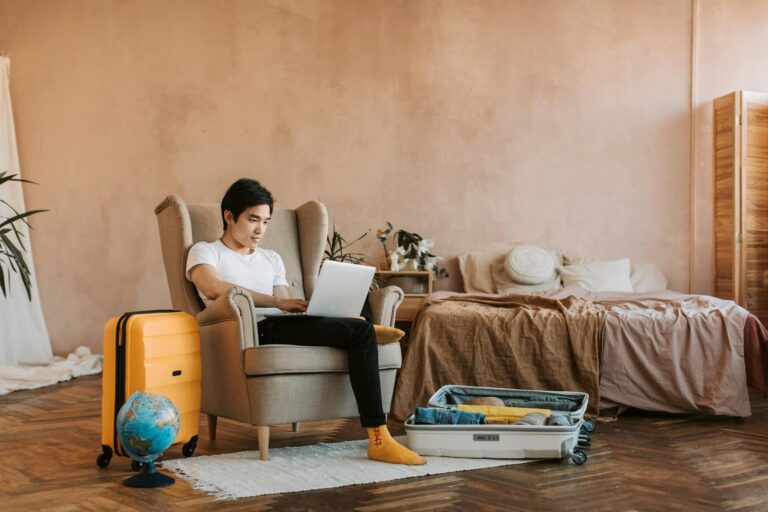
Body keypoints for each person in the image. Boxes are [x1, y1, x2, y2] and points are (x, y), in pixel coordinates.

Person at [186, 178, 426, 466]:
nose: (260, 229)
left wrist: (308, 306)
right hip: (254, 329)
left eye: (266, 221)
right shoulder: (206, 251)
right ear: (229, 216)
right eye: (253, 220)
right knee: (360, 332)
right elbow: (212, 288)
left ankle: (364, 326)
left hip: (282, 324)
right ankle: (378, 438)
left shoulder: (271, 258)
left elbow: (285, 301)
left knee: (356, 292)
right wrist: (278, 303)